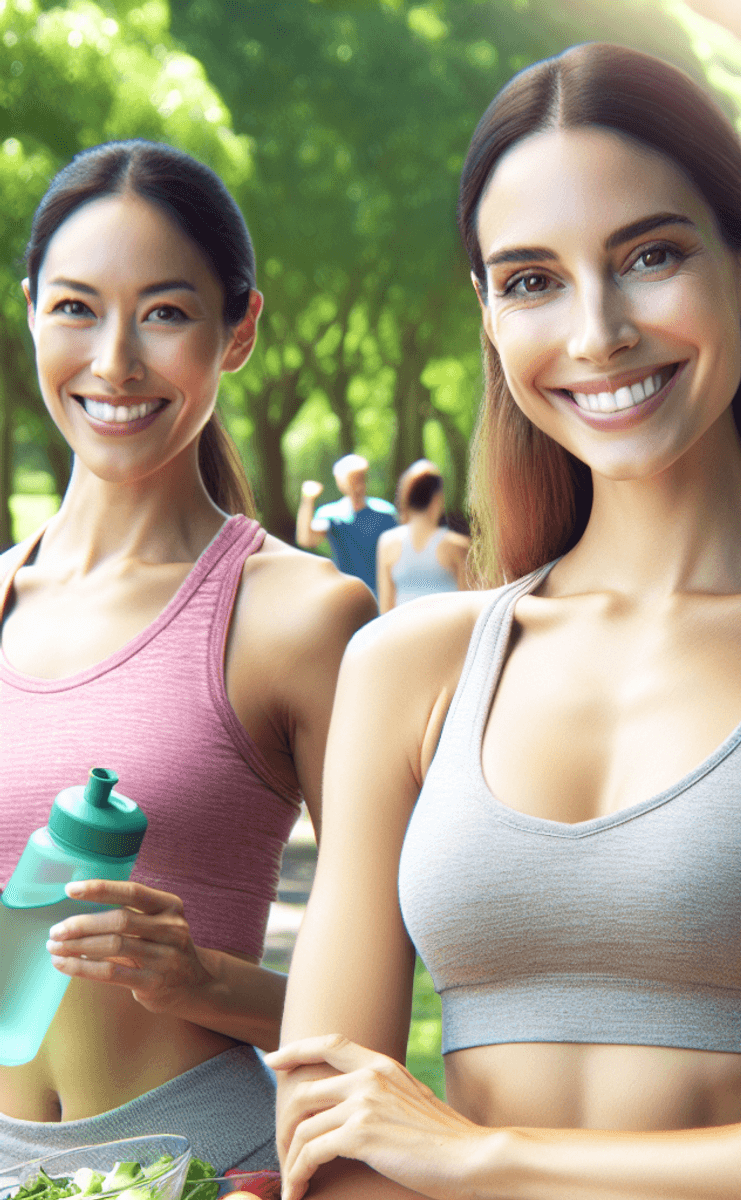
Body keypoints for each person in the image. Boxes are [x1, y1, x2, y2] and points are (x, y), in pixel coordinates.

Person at [269, 44, 741, 1200]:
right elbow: (330, 1144)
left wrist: (475, 1158)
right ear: (486, 312)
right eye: (531, 280)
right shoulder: (406, 667)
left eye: (650, 256)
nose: (597, 331)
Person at [0, 141, 376, 1173]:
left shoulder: (301, 616)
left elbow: (383, 1017)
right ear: (32, 308)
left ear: (240, 330)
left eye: (165, 312)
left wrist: (198, 978)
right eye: (76, 307)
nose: (115, 360)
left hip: (201, 1168)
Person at [375, 460, 470, 612]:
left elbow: (385, 608)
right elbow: (471, 606)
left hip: (403, 634)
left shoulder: (387, 543)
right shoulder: (457, 546)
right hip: (448, 633)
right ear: (437, 498)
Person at [296, 455, 397, 595]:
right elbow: (306, 540)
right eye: (352, 481)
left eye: (360, 479)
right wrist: (307, 501)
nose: (357, 486)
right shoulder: (330, 515)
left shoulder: (386, 513)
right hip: (349, 594)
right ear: (340, 483)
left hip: (384, 591)